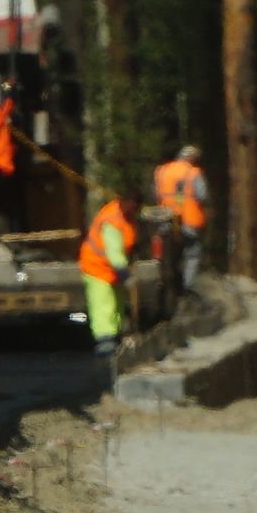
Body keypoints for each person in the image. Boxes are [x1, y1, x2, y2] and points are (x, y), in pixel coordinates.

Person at [80, 188, 143, 356]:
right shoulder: (112, 220)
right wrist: (125, 274)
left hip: (111, 269)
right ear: (124, 203)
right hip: (97, 266)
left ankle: (115, 336)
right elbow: (114, 252)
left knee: (117, 303)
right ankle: (104, 340)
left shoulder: (127, 215)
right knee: (103, 303)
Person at [153, 145, 208, 290]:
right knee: (192, 253)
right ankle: (187, 287)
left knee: (165, 253)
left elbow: (156, 194)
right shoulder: (193, 173)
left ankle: (162, 280)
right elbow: (202, 195)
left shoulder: (162, 171)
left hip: (165, 219)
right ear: (193, 158)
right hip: (188, 220)